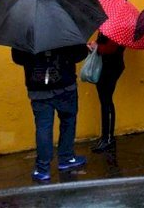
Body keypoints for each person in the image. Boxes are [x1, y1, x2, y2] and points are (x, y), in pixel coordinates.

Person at [11, 44, 89, 181]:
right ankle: (66, 157)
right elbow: (80, 54)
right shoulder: (67, 27)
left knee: (43, 127)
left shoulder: (26, 30)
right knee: (68, 121)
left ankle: (42, 169)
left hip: (38, 89)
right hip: (65, 85)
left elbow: (17, 58)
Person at [90, 33, 124, 152]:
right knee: (105, 101)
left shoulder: (116, 28)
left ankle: (108, 138)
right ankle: (106, 137)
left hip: (111, 67)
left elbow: (111, 47)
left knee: (106, 101)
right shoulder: (108, 26)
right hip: (106, 66)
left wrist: (97, 47)